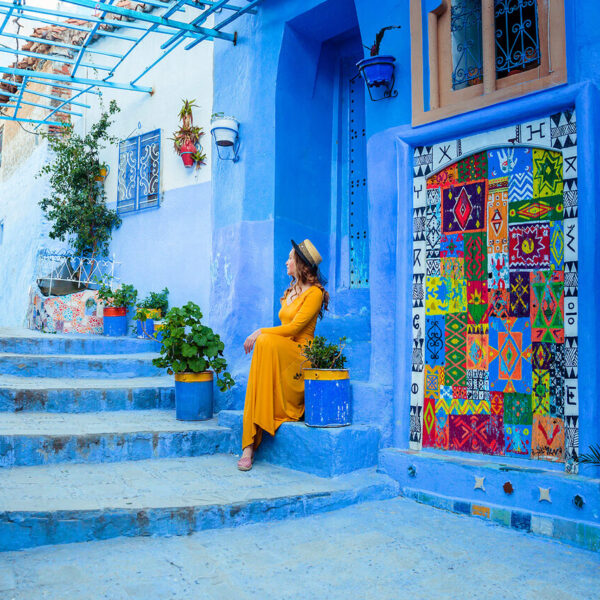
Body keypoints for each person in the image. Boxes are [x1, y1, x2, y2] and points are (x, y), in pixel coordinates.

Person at [237, 239, 329, 471]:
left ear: (302, 264)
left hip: (300, 355)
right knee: (265, 345)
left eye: (291, 258)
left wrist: (260, 331)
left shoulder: (315, 294)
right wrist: (264, 336)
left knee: (265, 341)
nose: (286, 261)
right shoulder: (290, 291)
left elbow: (294, 329)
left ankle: (250, 444)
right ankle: (248, 445)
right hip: (282, 351)